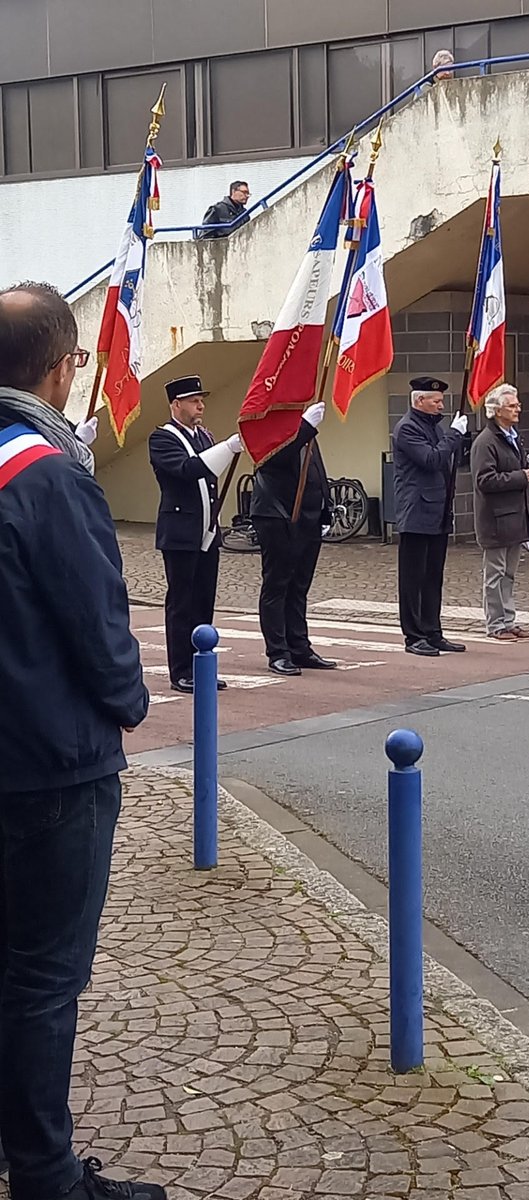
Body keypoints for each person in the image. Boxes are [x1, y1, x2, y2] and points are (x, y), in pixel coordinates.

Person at [0, 282, 160, 1200]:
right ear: (64, 368)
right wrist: (128, 704)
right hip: (51, 768)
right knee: (43, 980)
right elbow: (101, 637)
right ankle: (48, 1177)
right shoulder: (48, 475)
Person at [149, 376, 242, 693]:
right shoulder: (162, 439)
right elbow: (188, 470)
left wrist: (227, 448)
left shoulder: (203, 436)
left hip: (206, 532)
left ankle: (201, 664)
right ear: (176, 404)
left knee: (203, 602)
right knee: (182, 603)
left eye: (201, 399)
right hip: (181, 533)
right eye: (192, 400)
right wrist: (227, 449)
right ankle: (181, 671)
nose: (200, 405)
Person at [249, 401, 335, 676]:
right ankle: (278, 651)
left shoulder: (300, 428)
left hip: (308, 517)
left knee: (299, 586)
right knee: (278, 585)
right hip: (278, 516)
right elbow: (275, 459)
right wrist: (306, 427)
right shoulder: (267, 424)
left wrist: (326, 507)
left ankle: (299, 646)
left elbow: (315, 468)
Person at [392, 376, 468, 656]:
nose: (441, 405)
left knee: (433, 576)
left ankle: (433, 631)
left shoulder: (434, 427)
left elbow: (448, 459)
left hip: (437, 510)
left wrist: (456, 438)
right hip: (416, 511)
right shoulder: (407, 429)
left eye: (441, 400)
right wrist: (454, 435)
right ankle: (414, 636)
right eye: (435, 401)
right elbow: (432, 459)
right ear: (419, 401)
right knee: (413, 578)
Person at [471, 383, 529, 641]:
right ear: (497, 411)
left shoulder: (513, 436)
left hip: (515, 518)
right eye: (512, 406)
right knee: (495, 574)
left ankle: (509, 620)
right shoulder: (486, 442)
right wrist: (519, 477)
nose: (518, 409)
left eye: (517, 404)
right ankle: (495, 624)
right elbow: (484, 480)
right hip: (496, 520)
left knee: (509, 574)